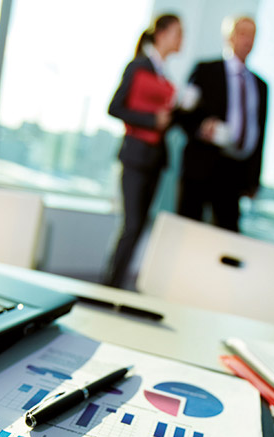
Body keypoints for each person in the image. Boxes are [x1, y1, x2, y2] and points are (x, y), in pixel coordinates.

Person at [104, 14, 183, 288]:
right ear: (161, 34)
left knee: (139, 225)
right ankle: (110, 284)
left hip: (155, 160)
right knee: (133, 224)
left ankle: (116, 282)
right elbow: (115, 107)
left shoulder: (165, 76)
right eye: (177, 33)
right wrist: (151, 120)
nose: (181, 39)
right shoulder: (137, 66)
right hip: (136, 156)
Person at [177, 15, 268, 232]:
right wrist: (201, 127)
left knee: (227, 234)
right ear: (230, 37)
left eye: (252, 35)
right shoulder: (206, 70)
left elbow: (260, 133)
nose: (248, 40)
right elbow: (183, 114)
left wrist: (253, 179)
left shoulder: (261, 86)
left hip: (234, 173)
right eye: (243, 33)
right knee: (187, 231)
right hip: (202, 165)